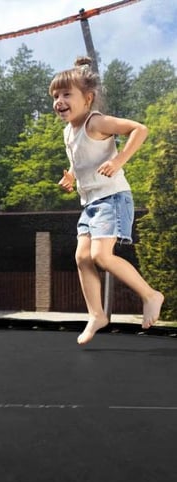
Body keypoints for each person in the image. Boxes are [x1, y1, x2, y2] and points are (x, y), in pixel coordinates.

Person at [49, 56, 164, 345]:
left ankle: (150, 295)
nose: (59, 101)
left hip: (112, 198)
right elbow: (80, 159)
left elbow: (140, 129)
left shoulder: (96, 121)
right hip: (90, 203)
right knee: (82, 258)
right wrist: (72, 177)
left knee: (101, 256)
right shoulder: (68, 132)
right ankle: (97, 314)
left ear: (87, 99)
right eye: (55, 96)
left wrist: (119, 159)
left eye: (66, 94)